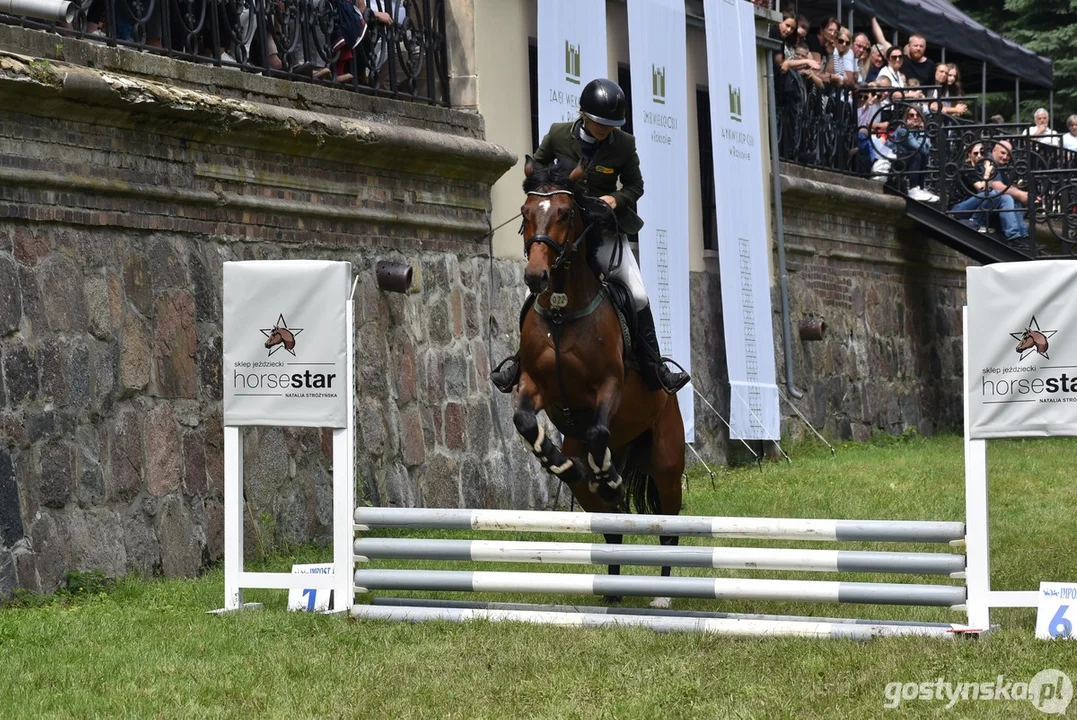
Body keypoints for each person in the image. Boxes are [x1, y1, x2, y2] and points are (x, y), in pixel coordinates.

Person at [490, 78, 691, 395]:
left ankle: (655, 366)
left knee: (637, 294)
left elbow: (635, 186)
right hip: (565, 231)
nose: (604, 130)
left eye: (610, 125)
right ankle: (519, 363)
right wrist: (549, 190)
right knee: (533, 297)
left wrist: (616, 199)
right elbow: (537, 166)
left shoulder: (623, 144)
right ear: (583, 115)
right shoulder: (558, 134)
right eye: (599, 123)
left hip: (605, 229)